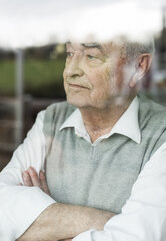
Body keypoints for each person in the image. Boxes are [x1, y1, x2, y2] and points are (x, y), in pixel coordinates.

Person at [0, 37, 166, 241]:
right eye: (69, 54)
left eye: (91, 56)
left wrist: (39, 223)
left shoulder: (161, 134)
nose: (71, 71)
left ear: (138, 67)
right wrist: (98, 221)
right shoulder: (50, 120)